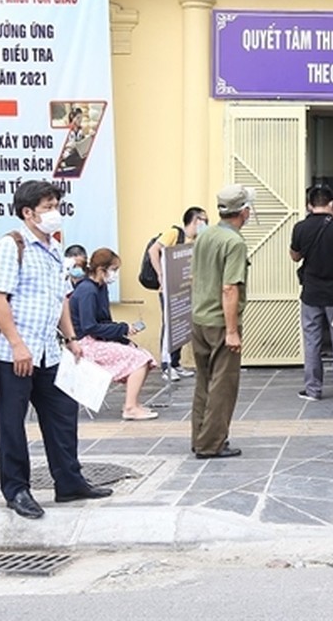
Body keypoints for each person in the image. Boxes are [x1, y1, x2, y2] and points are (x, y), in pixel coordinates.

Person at [0, 181, 111, 519]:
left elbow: (60, 300)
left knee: (62, 414)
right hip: (17, 352)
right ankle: (16, 489)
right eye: (47, 206)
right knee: (12, 423)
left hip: (49, 350)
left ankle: (69, 482)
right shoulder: (10, 247)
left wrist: (71, 339)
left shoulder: (55, 249)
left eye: (56, 204)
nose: (55, 212)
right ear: (28, 212)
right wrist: (17, 345)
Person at [189, 185, 252, 459]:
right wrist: (232, 331)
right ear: (245, 211)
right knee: (223, 384)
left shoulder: (205, 235)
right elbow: (229, 287)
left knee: (203, 382)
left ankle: (199, 437)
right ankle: (211, 443)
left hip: (199, 318)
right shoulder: (234, 242)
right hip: (219, 321)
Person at [69, 248, 159, 421]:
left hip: (97, 340)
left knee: (145, 356)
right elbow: (90, 327)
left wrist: (122, 337)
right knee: (139, 360)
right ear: (101, 270)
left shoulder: (100, 287)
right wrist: (122, 329)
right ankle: (130, 407)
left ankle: (132, 403)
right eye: (114, 270)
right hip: (86, 345)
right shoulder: (87, 291)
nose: (115, 275)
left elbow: (104, 322)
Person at [291, 186, 333, 402]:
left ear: (310, 204)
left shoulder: (300, 227)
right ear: (330, 203)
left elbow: (295, 256)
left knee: (312, 341)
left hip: (310, 292)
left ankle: (313, 390)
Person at [148, 206, 208, 380]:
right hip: (168, 289)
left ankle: (176, 363)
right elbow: (154, 251)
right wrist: (161, 275)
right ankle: (166, 365)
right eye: (203, 219)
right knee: (169, 324)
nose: (206, 223)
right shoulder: (174, 233)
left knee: (181, 325)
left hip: (185, 289)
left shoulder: (197, 239)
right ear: (195, 220)